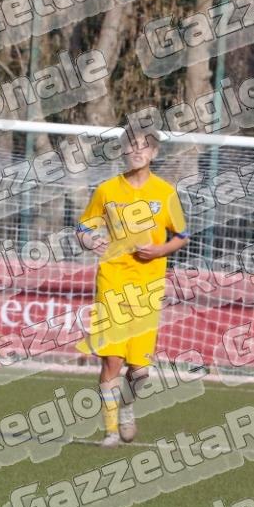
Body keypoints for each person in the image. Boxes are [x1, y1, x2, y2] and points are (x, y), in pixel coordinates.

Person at [77, 128, 187, 447]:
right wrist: (88, 240)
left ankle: (126, 405)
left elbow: (181, 236)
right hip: (112, 282)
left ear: (154, 153)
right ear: (122, 151)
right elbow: (83, 227)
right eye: (131, 146)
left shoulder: (165, 192)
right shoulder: (107, 190)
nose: (137, 151)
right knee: (112, 361)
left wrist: (159, 250)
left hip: (148, 288)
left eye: (144, 147)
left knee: (140, 372)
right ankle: (111, 430)